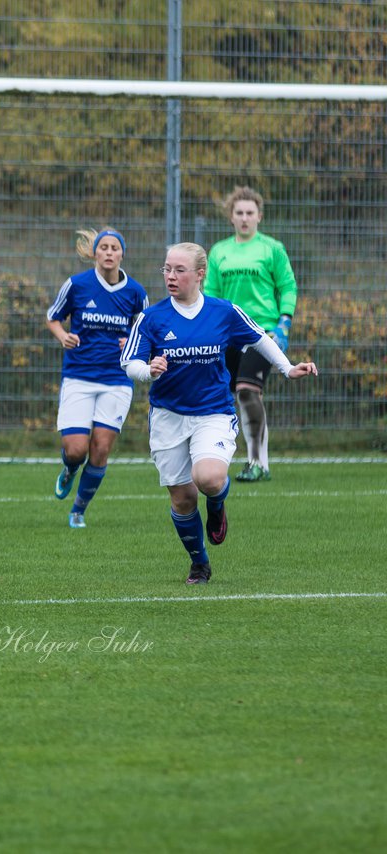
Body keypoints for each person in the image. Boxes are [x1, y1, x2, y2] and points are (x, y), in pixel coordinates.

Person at [121, 243, 317, 585]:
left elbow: (260, 338)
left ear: (200, 274)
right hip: (168, 416)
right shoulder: (151, 318)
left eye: (179, 270)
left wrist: (287, 369)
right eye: (166, 269)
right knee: (182, 499)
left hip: (213, 412)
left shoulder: (223, 311)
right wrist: (147, 371)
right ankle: (199, 562)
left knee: (209, 478)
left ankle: (216, 505)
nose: (170, 276)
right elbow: (129, 362)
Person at [46, 226, 149, 529]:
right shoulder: (77, 285)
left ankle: (78, 510)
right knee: (76, 449)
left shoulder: (136, 292)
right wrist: (63, 335)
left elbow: (147, 332)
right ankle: (69, 469)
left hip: (117, 380)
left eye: (114, 248)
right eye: (103, 247)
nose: (108, 252)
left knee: (101, 448)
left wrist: (132, 341)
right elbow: (53, 317)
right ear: (94, 252)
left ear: (122, 254)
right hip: (78, 376)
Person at [204, 185, 299, 483]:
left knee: (247, 390)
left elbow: (287, 286)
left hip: (261, 332)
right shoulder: (219, 251)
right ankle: (214, 455)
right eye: (239, 213)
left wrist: (284, 323)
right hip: (227, 334)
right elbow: (211, 294)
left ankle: (258, 462)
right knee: (222, 394)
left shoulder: (272, 248)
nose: (244, 218)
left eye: (250, 213)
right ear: (231, 217)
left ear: (259, 216)